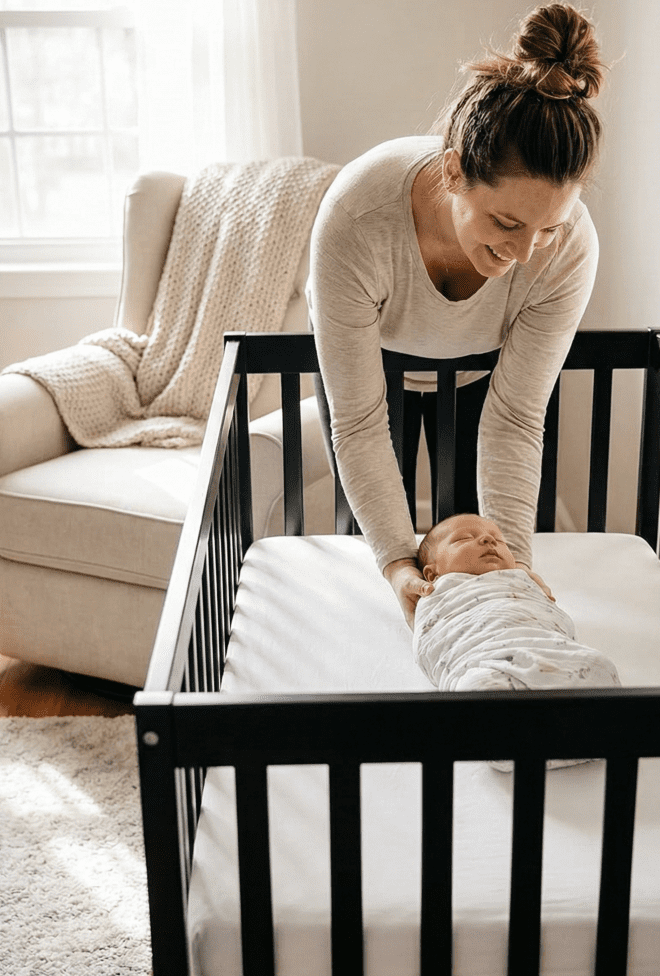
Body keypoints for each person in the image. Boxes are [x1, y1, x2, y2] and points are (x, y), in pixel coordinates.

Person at [307, 3, 607, 628]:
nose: (526, 255)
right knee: (374, 554)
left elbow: (517, 420)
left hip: (485, 374)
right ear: (453, 171)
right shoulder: (358, 220)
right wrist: (395, 561)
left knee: (475, 543)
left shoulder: (569, 248)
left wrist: (515, 571)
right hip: (374, 370)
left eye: (547, 227)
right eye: (505, 222)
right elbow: (360, 425)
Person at [413, 512, 620, 693]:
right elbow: (429, 639)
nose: (488, 540)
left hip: (551, 651)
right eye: (463, 538)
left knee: (599, 665)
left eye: (500, 541)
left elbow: (552, 619)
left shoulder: (523, 580)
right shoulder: (438, 592)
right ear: (432, 574)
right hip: (484, 659)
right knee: (479, 684)